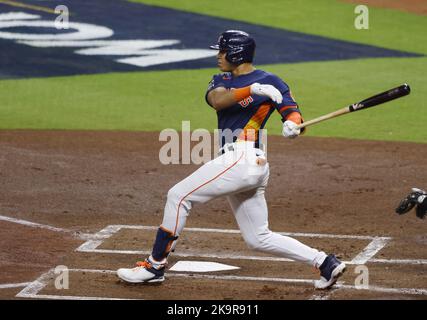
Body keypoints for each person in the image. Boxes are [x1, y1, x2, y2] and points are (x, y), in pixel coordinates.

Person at [117, 30, 346, 290]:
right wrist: (251, 90)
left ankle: (154, 265)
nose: (218, 56)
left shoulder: (273, 81)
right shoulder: (222, 80)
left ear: (236, 53)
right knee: (258, 237)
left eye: (222, 51)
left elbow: (294, 114)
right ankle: (325, 262)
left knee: (178, 196)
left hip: (245, 159)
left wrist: (293, 127)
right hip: (244, 165)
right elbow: (218, 101)